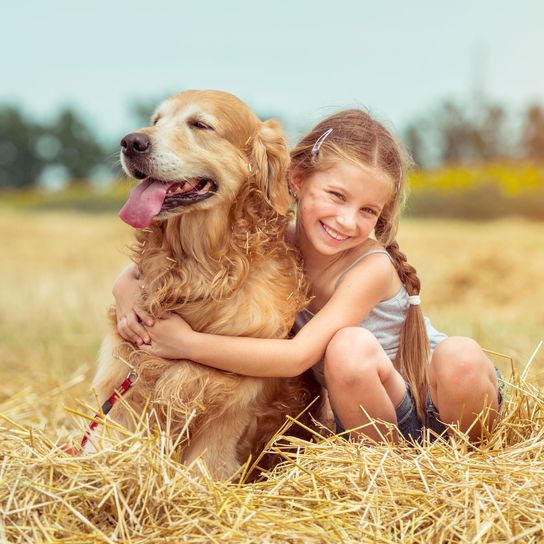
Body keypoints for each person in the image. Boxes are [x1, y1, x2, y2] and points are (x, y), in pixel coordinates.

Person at [113, 109, 502, 443]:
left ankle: (466, 471)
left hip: (442, 397)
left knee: (449, 353)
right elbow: (152, 267)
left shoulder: (371, 267)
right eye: (336, 196)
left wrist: (187, 344)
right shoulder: (268, 243)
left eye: (368, 211)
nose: (347, 221)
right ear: (297, 179)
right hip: (378, 419)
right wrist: (125, 293)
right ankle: (389, 477)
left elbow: (298, 357)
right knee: (348, 352)